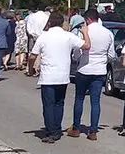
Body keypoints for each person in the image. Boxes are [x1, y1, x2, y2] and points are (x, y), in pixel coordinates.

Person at [29, 13, 88, 144]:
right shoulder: (68, 36)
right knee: (59, 103)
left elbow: (33, 55)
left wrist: (30, 68)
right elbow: (85, 45)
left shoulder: (43, 37)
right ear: (62, 23)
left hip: (48, 76)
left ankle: (51, 131)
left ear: (49, 22)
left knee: (48, 105)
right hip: (62, 76)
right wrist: (85, 32)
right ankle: (56, 128)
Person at [67, 9, 115, 141]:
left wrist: (77, 58)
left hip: (84, 69)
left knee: (79, 99)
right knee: (95, 101)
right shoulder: (108, 33)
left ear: (87, 19)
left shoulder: (84, 32)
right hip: (99, 71)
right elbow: (111, 55)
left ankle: (76, 128)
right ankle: (93, 130)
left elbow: (77, 52)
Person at [23, 6, 51, 76]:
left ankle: (29, 68)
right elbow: (48, 28)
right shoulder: (46, 17)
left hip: (33, 36)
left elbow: (28, 28)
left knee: (31, 52)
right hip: (43, 36)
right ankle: (37, 68)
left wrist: (32, 34)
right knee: (40, 53)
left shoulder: (31, 16)